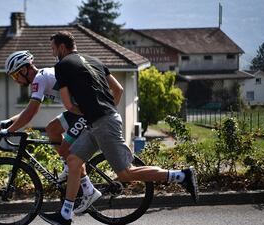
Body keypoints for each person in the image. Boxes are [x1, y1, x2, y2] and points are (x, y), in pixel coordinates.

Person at [40, 31, 199, 225]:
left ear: (62, 48)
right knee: (73, 160)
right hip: (101, 121)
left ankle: (181, 175)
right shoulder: (95, 60)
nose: (53, 53)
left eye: (53, 49)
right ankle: (65, 215)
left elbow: (69, 105)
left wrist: (96, 115)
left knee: (126, 173)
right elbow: (119, 89)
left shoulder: (62, 66)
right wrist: (104, 112)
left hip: (102, 122)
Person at [0, 50, 123, 211]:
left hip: (84, 112)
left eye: (16, 76)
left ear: (24, 69)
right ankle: (72, 170)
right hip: (77, 110)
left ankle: (88, 189)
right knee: (52, 129)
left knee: (66, 151)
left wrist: (9, 130)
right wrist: (9, 122)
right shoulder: (42, 76)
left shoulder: (39, 79)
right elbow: (28, 110)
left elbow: (31, 113)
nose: (16, 81)